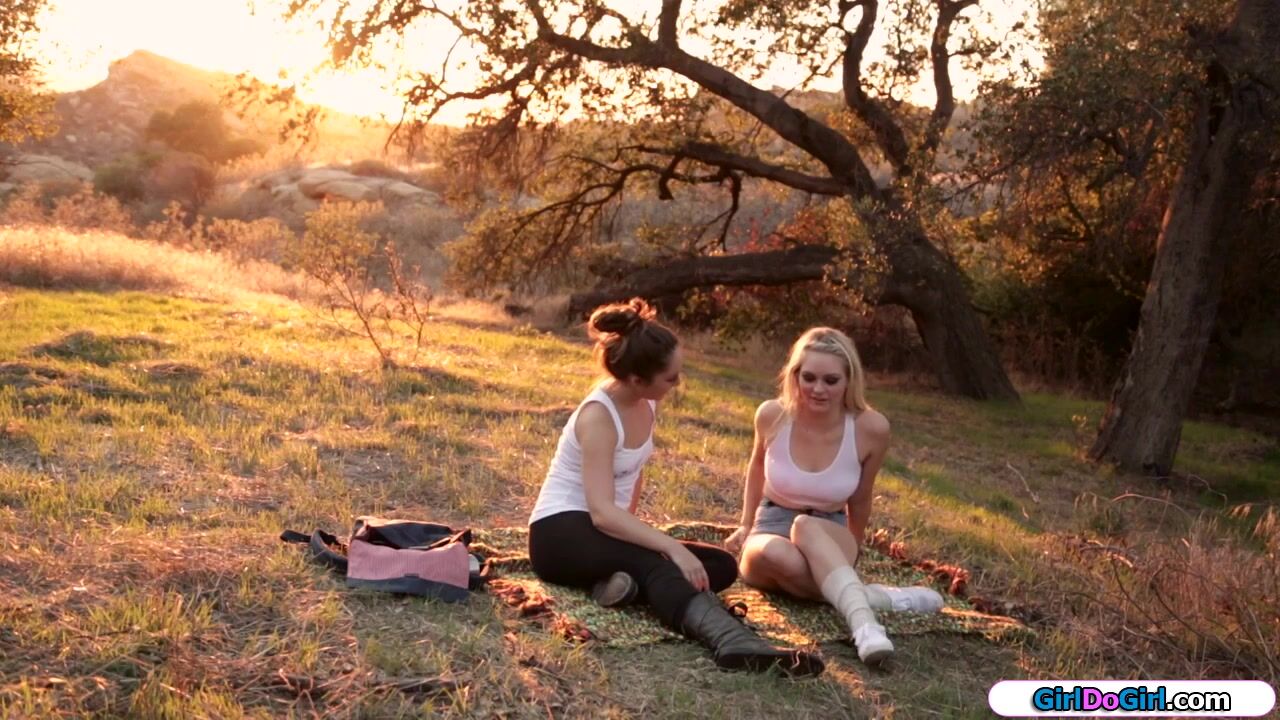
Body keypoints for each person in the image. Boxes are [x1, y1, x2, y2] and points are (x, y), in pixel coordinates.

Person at [528, 299, 823, 677]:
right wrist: (666, 546)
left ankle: (619, 585)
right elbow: (601, 512)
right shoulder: (599, 418)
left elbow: (632, 476)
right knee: (661, 563)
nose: (677, 383)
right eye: (670, 378)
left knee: (719, 565)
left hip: (600, 531)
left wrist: (637, 539)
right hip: (559, 534)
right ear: (637, 379)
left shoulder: (645, 402)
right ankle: (733, 642)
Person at [724, 327, 944, 665]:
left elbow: (861, 496)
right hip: (771, 525)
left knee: (806, 526)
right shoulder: (772, 415)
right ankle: (874, 598)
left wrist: (852, 548)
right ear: (795, 376)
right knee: (776, 554)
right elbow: (756, 469)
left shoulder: (871, 428)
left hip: (828, 529)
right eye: (809, 378)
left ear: (849, 381)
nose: (818, 389)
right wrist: (744, 524)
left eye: (831, 380)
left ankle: (865, 628)